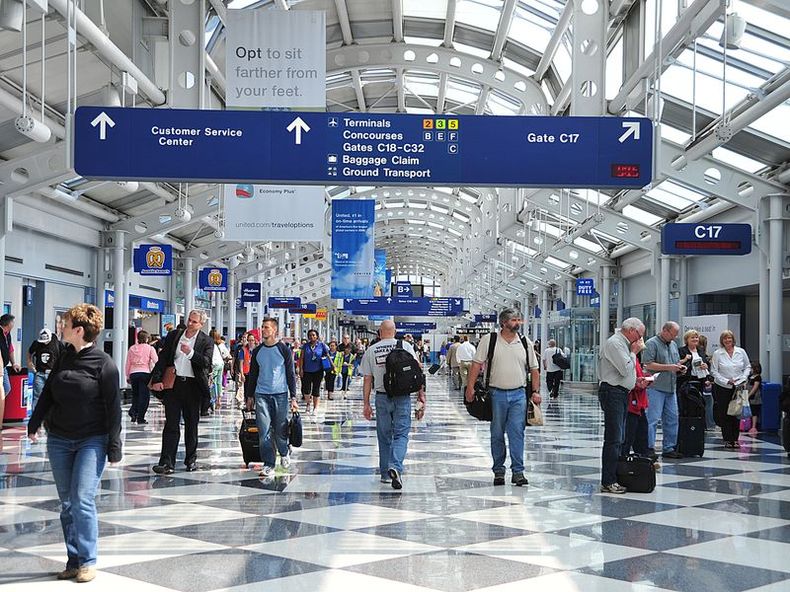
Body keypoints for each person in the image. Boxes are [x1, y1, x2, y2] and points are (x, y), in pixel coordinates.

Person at [27, 304, 122, 583]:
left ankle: (88, 561)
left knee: (82, 499)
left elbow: (114, 407)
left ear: (79, 330)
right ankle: (73, 559)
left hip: (92, 440)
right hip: (59, 439)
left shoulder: (104, 364)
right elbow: (47, 394)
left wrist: (114, 445)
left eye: (65, 324)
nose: (61, 327)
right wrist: (34, 424)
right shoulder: (63, 357)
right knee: (67, 503)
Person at [465, 308, 541, 487]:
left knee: (517, 432)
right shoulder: (489, 340)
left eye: (518, 320)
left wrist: (536, 391)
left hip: (519, 394)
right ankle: (498, 471)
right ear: (504, 323)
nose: (517, 323)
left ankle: (518, 471)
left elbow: (534, 368)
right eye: (514, 320)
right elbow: (477, 364)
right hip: (496, 394)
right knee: (497, 433)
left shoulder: (524, 342)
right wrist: (470, 387)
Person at [362, 320, 426, 489]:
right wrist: (421, 395)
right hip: (402, 397)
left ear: (379, 332)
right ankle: (395, 466)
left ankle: (385, 474)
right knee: (401, 434)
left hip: (382, 397)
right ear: (395, 331)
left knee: (383, 436)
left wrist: (366, 404)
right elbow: (417, 371)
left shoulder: (371, 350)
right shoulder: (405, 346)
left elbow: (367, 379)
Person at [150, 310, 213, 474]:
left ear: (201, 324)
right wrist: (156, 379)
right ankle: (166, 462)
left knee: (192, 425)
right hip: (174, 383)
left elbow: (206, 363)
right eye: (189, 320)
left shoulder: (206, 341)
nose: (190, 324)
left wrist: (191, 353)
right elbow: (163, 358)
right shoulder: (174, 336)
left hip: (193, 386)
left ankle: (191, 460)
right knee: (171, 424)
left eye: (194, 322)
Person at [244, 318, 298, 477]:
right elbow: (252, 374)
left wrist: (293, 397)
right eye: (262, 327)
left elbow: (290, 374)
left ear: (274, 330)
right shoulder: (258, 351)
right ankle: (268, 463)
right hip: (261, 395)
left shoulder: (283, 349)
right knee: (264, 430)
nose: (263, 330)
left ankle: (284, 451)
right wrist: (249, 395)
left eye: (266, 327)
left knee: (280, 429)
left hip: (280, 394)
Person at [598, 317, 644, 494]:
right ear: (631, 331)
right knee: (614, 438)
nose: (639, 340)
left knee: (620, 437)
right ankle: (608, 480)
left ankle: (616, 476)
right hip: (613, 393)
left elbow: (625, 372)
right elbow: (625, 368)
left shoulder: (623, 344)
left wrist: (636, 381)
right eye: (639, 335)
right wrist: (634, 352)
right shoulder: (616, 343)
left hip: (622, 392)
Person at [642, 321, 685, 460]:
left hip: (671, 387)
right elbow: (648, 364)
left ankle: (669, 447)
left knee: (672, 418)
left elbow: (675, 363)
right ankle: (648, 447)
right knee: (652, 419)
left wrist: (679, 368)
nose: (674, 337)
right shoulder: (651, 343)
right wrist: (669, 367)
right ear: (665, 330)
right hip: (656, 388)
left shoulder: (673, 345)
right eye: (673, 334)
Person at [710, 330, 751, 449]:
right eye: (725, 339)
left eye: (729, 338)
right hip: (723, 387)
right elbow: (714, 371)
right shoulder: (718, 353)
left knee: (736, 412)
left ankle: (735, 439)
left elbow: (747, 366)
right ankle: (727, 439)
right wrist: (726, 381)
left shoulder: (741, 351)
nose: (728, 341)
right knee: (725, 413)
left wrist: (743, 378)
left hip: (738, 386)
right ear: (722, 341)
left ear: (733, 339)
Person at [622, 338, 652, 460]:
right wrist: (638, 383)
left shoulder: (636, 359)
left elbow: (637, 375)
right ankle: (625, 460)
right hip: (632, 403)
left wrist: (646, 378)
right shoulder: (629, 358)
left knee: (641, 432)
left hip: (639, 403)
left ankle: (643, 459)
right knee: (629, 434)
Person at [124, 330, 158, 424]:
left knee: (135, 395)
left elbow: (128, 363)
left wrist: (127, 375)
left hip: (133, 374)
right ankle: (140, 417)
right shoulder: (150, 348)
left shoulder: (132, 348)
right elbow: (156, 361)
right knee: (144, 397)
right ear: (147, 338)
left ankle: (133, 412)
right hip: (145, 373)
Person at [27, 328, 62, 410]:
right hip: (40, 373)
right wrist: (29, 362)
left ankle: (51, 417)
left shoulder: (57, 343)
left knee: (54, 396)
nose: (45, 343)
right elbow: (29, 352)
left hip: (53, 373)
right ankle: (36, 418)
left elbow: (64, 354)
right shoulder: (36, 343)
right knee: (37, 396)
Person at [298, 329, 330, 415]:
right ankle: (308, 403)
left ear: (317, 336)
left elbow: (327, 355)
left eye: (314, 335)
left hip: (318, 370)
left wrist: (332, 365)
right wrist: (300, 369)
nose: (312, 337)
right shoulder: (305, 346)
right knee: (306, 389)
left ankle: (315, 407)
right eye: (310, 335)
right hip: (307, 370)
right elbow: (301, 358)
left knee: (316, 389)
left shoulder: (321, 345)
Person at [0, 314, 20, 426]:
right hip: (0, 367)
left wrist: (14, 363)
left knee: (6, 388)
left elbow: (10, 349)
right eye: (13, 322)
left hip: (4, 367)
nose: (13, 324)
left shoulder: (7, 334)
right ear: (8, 323)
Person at [209, 329, 231, 411]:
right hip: (221, 364)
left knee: (212, 382)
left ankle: (213, 400)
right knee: (219, 382)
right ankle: (219, 400)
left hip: (213, 364)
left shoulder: (209, 344)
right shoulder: (221, 345)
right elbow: (228, 355)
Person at [747, 361, 762, 436]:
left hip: (755, 397)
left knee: (754, 411)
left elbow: (755, 387)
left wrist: (749, 395)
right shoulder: (750, 376)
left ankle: (753, 426)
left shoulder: (757, 377)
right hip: (749, 396)